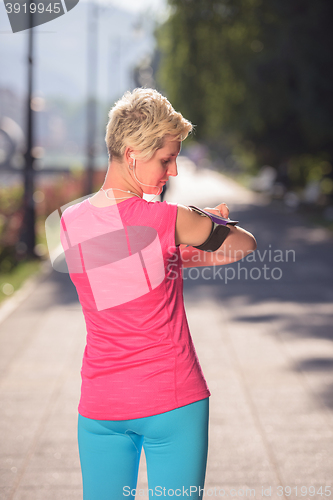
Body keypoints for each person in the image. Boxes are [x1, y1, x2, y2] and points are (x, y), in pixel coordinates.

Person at [59, 88, 256, 500]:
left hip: (100, 406)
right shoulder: (169, 219)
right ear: (133, 153)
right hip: (173, 400)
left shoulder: (70, 221)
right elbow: (243, 244)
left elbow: (124, 274)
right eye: (167, 158)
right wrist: (202, 225)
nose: (175, 170)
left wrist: (173, 254)